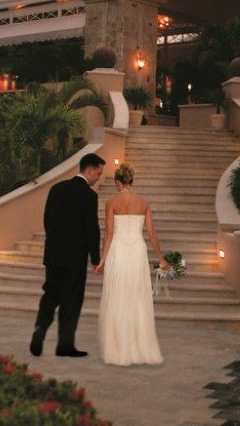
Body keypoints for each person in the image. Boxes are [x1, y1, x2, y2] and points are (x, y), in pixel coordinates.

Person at [30, 153, 105, 357]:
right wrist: (96, 259)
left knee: (50, 295)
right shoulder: (89, 196)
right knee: (71, 301)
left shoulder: (56, 189)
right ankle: (65, 345)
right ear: (89, 170)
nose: (98, 178)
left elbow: (47, 220)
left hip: (53, 255)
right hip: (75, 258)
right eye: (98, 173)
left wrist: (54, 243)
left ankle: (39, 331)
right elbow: (92, 229)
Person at [94, 163, 169, 366]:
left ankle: (119, 350)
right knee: (137, 297)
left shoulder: (111, 202)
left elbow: (109, 234)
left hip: (118, 251)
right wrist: (161, 258)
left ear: (118, 182)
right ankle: (140, 349)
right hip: (137, 251)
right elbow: (152, 234)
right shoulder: (143, 203)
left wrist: (101, 260)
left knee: (118, 296)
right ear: (131, 181)